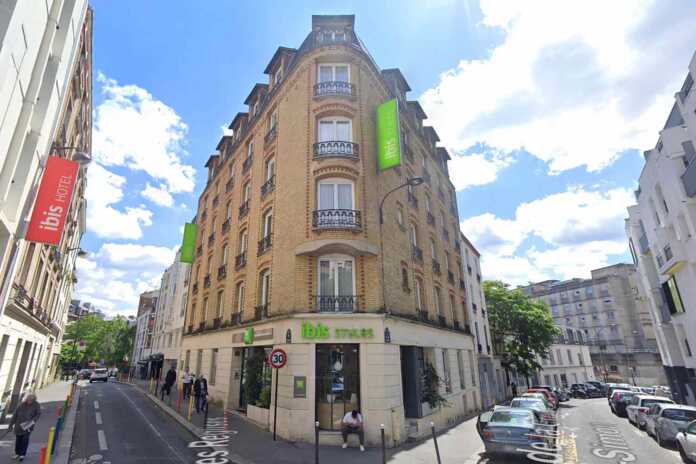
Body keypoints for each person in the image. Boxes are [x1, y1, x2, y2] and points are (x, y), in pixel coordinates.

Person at [8, 393, 41, 461]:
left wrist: (33, 420)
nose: (29, 401)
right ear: (26, 399)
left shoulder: (36, 405)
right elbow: (15, 415)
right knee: (18, 440)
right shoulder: (21, 405)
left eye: (31, 400)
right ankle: (17, 453)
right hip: (18, 426)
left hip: (28, 426)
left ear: (34, 400)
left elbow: (38, 414)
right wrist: (10, 425)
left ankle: (22, 454)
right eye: (28, 400)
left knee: (25, 440)